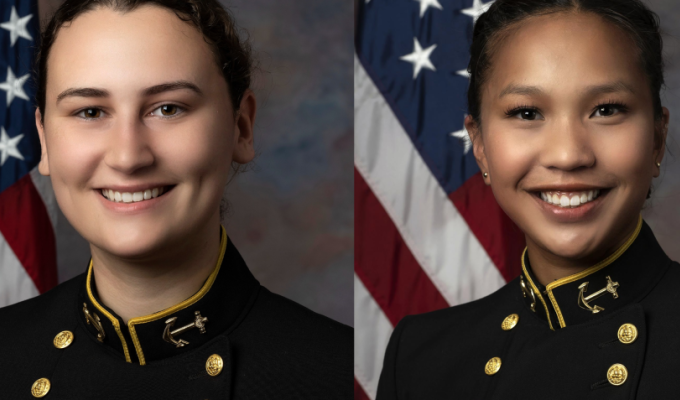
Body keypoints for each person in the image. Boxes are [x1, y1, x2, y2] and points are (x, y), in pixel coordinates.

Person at [0, 0, 352, 398]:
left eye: (168, 109)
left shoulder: (345, 376)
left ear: (241, 128)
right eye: (90, 112)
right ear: (44, 140)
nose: (128, 156)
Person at [376, 0, 678, 398]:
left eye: (606, 110)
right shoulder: (419, 355)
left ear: (657, 137)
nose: (568, 155)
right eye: (527, 114)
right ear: (479, 144)